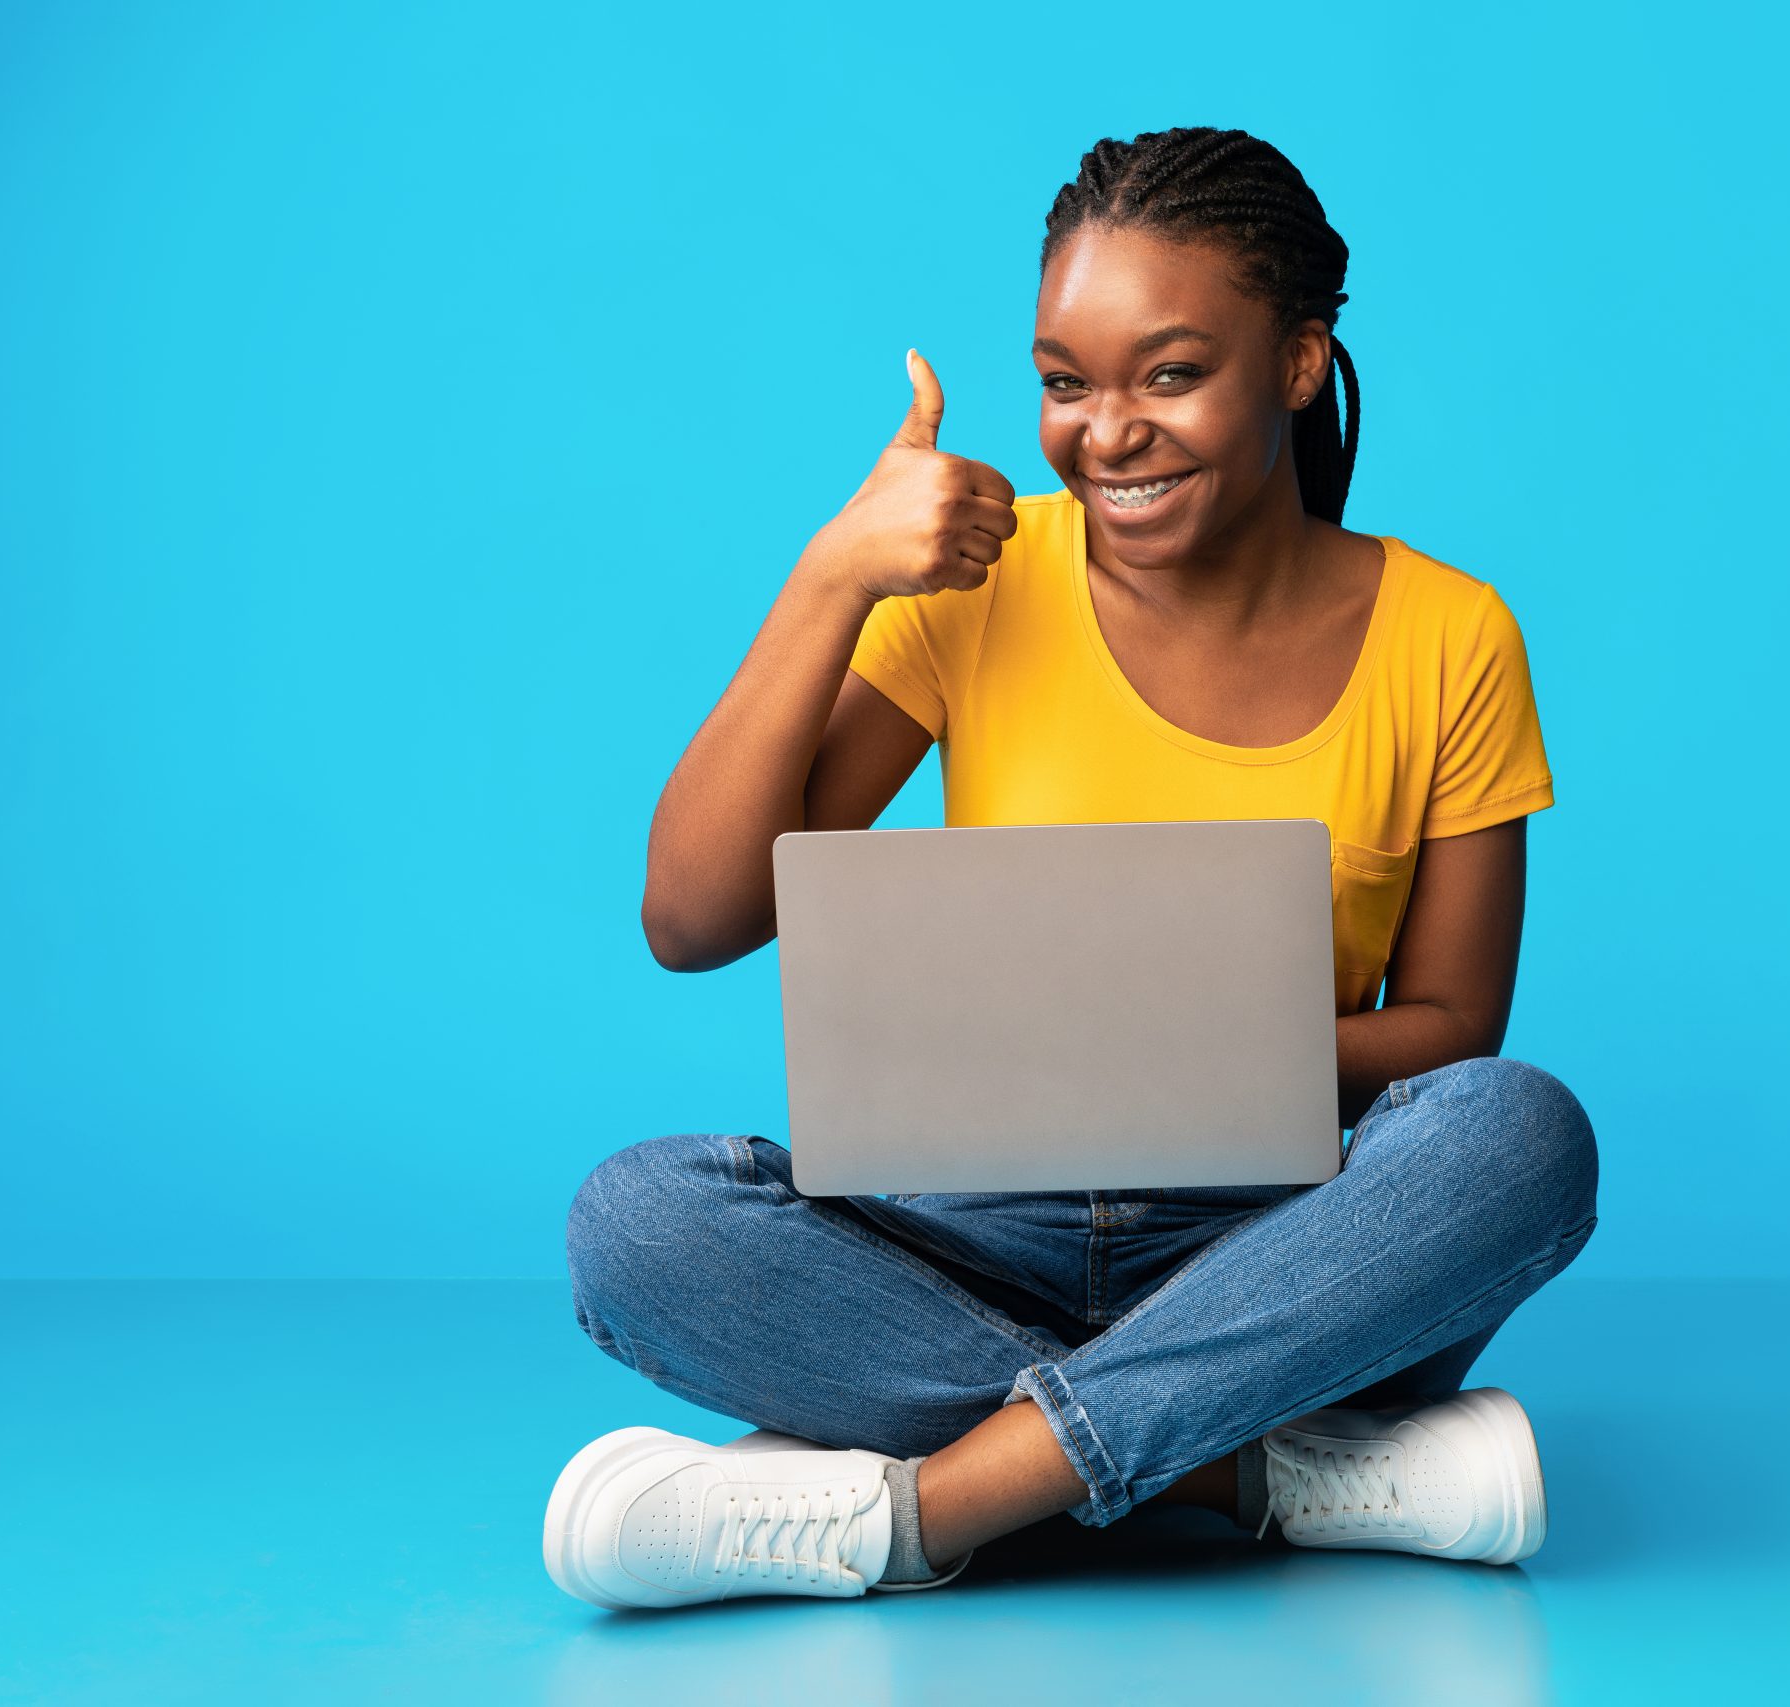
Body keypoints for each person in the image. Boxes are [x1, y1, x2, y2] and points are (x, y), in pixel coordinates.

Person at [547, 127, 1599, 1610]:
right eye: (1065, 383)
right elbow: (694, 918)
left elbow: (1450, 1032)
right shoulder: (977, 592)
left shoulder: (1451, 635)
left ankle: (926, 1509)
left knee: (1522, 1137)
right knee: (636, 1220)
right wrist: (833, 573)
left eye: (1170, 374)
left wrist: (1203, 1057)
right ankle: (1265, 1474)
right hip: (967, 1244)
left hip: (1279, 1250)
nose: (1107, 432)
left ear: (1298, 365)